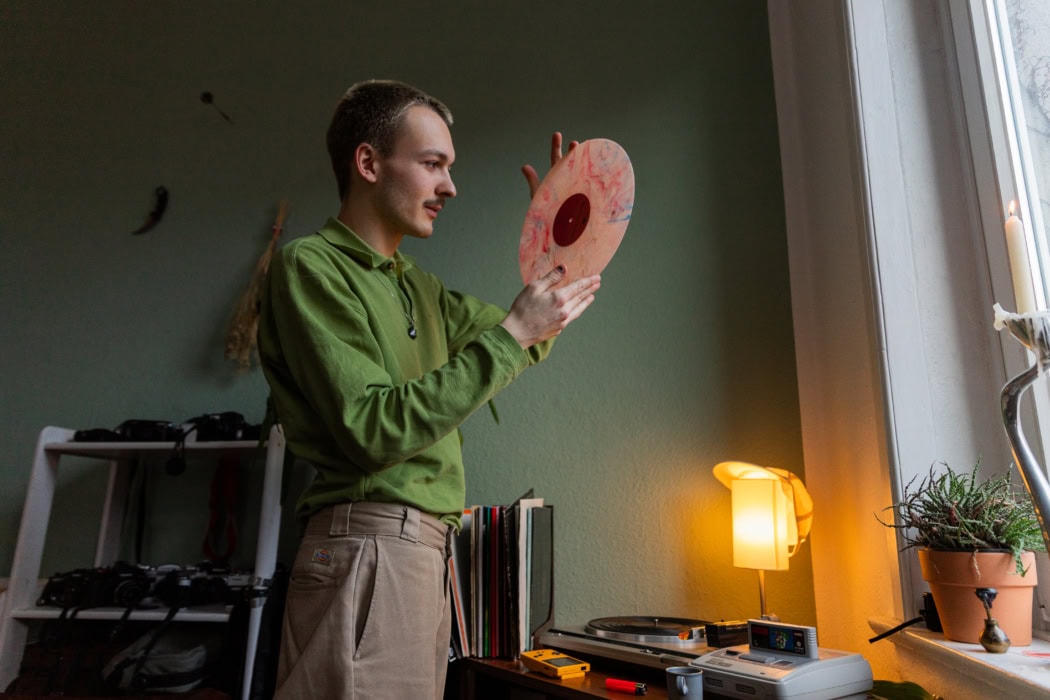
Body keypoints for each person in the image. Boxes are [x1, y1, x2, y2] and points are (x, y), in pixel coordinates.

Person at [257, 79, 601, 699]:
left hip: (417, 553)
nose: (450, 186)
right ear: (368, 163)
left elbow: (529, 333)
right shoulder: (311, 266)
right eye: (432, 164)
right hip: (369, 545)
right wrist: (513, 333)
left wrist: (559, 236)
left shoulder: (422, 288)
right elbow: (371, 428)